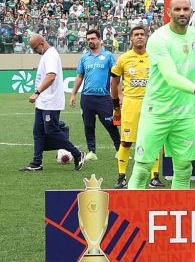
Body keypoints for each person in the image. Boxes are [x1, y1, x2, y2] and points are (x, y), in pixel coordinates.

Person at [127, 0, 195, 190]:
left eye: (185, 9)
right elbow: (171, 76)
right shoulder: (158, 38)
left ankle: (177, 212)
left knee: (184, 168)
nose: (182, 13)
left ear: (191, 12)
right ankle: (133, 214)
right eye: (177, 9)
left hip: (185, 115)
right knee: (143, 168)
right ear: (168, 12)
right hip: (157, 113)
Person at [22, 34, 84, 172]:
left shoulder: (50, 55)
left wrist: (37, 92)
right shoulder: (45, 55)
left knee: (52, 131)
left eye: (35, 48)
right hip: (42, 102)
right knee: (37, 132)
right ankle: (37, 163)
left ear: (42, 43)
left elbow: (51, 76)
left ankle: (77, 154)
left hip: (50, 102)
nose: (34, 51)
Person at [110, 26, 163, 188]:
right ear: (131, 39)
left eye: (142, 34)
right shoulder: (124, 59)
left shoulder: (155, 57)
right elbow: (114, 81)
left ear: (146, 38)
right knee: (126, 142)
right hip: (131, 104)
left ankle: (154, 177)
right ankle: (121, 177)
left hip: (152, 104)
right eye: (136, 35)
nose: (139, 37)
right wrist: (116, 105)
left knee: (153, 141)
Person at [69, 29, 121, 161]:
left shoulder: (108, 56)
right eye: (88, 39)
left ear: (99, 39)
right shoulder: (84, 57)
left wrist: (119, 95)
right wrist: (73, 94)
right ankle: (92, 151)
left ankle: (120, 150)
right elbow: (79, 76)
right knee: (88, 125)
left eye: (93, 38)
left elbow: (115, 77)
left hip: (104, 98)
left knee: (111, 125)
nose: (90, 41)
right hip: (87, 98)